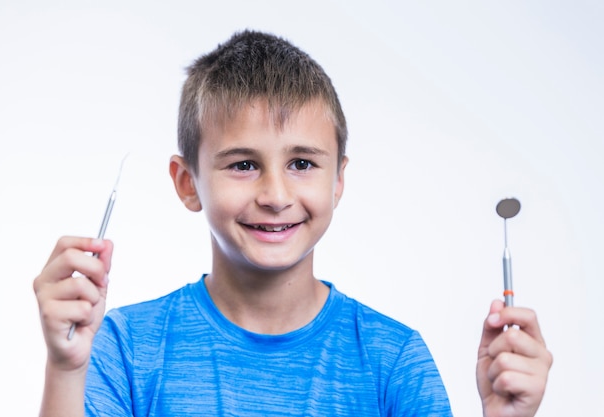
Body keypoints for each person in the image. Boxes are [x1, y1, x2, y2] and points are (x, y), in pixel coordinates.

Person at [33, 30, 552, 417]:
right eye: (243, 164)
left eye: (302, 163)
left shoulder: (391, 360)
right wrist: (66, 369)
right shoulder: (126, 348)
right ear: (187, 182)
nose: (276, 196)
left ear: (338, 181)